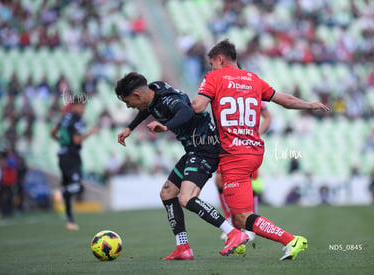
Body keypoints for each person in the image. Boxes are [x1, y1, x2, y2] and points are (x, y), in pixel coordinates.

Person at [192, 39, 330, 260]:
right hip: (254, 151)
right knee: (240, 215)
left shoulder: (214, 77)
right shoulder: (253, 79)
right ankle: (238, 240)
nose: (211, 68)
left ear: (220, 59)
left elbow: (198, 106)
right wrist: (308, 104)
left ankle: (291, 240)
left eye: (212, 63)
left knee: (242, 217)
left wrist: (173, 114)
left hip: (234, 155)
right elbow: (285, 100)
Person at [115, 72, 246, 260]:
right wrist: (130, 128)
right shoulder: (154, 91)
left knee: (187, 199)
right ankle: (183, 247)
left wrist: (166, 126)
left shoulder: (168, 100)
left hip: (205, 149)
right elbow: (147, 109)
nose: (129, 106)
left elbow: (186, 111)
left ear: (137, 95)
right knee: (167, 193)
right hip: (194, 149)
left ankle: (233, 233)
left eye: (128, 102)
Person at [215, 101, 272, 241]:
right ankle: (230, 221)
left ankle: (251, 223)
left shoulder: (253, 91)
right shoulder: (226, 89)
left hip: (247, 144)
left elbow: (268, 117)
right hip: (228, 143)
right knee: (219, 180)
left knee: (248, 181)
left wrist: (256, 135)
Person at [50, 94, 98, 231]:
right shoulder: (77, 119)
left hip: (62, 155)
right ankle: (61, 194)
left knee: (68, 186)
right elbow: (76, 140)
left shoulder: (65, 117)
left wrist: (62, 143)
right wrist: (90, 133)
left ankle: (70, 220)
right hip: (72, 156)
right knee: (77, 187)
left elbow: (52, 133)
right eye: (82, 106)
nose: (83, 109)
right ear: (75, 105)